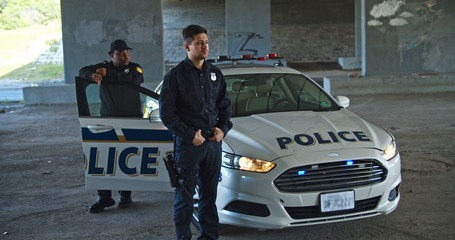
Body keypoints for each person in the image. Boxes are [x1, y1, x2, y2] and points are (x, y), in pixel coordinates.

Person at [159, 25, 232, 240]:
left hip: (212, 145)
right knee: (185, 197)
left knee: (209, 196)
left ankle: (209, 236)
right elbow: (168, 114)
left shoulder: (215, 73)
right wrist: (190, 134)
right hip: (189, 146)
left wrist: (222, 129)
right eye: (200, 42)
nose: (205, 46)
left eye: (206, 42)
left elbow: (225, 107)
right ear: (187, 46)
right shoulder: (175, 76)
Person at [79, 39, 144, 213]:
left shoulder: (135, 68)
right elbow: (83, 71)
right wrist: (93, 75)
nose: (126, 57)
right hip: (108, 123)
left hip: (132, 122)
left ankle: (125, 196)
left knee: (127, 160)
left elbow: (134, 79)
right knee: (104, 159)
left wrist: (108, 75)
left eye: (127, 53)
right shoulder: (102, 67)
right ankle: (104, 197)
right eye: (121, 53)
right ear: (111, 55)